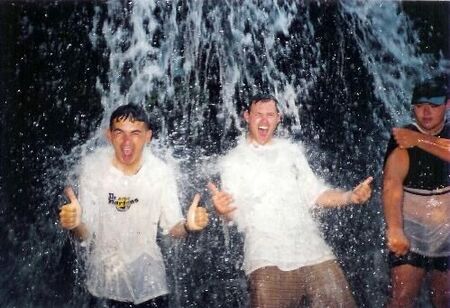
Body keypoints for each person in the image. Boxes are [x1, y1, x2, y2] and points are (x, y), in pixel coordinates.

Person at [208, 95, 373, 308]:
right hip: (267, 258)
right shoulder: (233, 161)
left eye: (270, 115)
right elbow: (236, 213)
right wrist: (223, 210)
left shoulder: (292, 153)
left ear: (279, 118)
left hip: (314, 252)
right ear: (247, 117)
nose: (264, 121)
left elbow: (316, 195)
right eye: (258, 115)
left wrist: (350, 196)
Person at [59, 103, 208, 307]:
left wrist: (189, 226)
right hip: (104, 284)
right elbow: (86, 233)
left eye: (135, 133)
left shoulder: (160, 172)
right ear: (109, 135)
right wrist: (75, 224)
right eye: (119, 132)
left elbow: (174, 228)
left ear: (148, 137)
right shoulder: (94, 169)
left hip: (150, 284)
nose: (127, 141)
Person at [383, 77, 450, 308]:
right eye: (421, 106)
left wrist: (419, 140)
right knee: (401, 300)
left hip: (447, 235)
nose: (426, 112)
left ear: (447, 105)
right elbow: (392, 185)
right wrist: (394, 228)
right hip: (412, 234)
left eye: (433, 106)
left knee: (443, 300)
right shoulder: (402, 138)